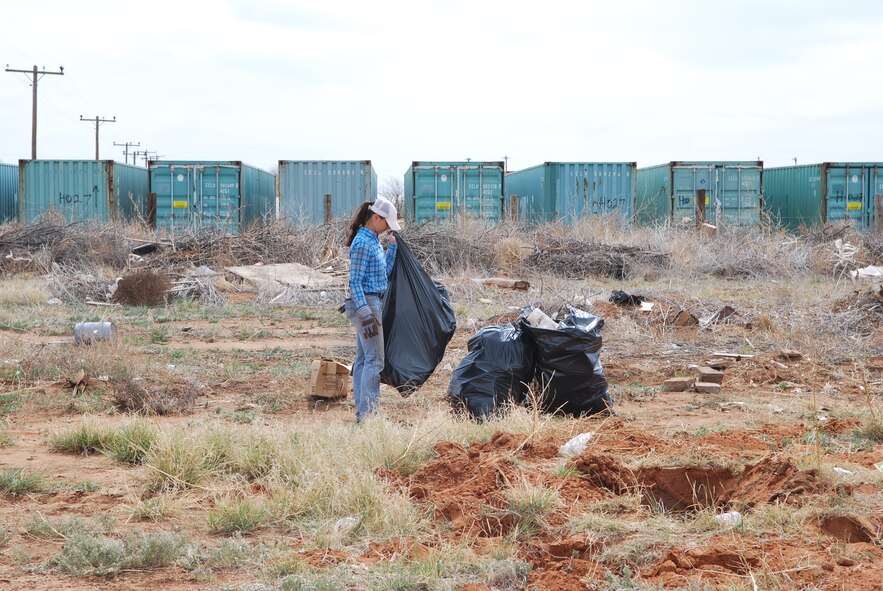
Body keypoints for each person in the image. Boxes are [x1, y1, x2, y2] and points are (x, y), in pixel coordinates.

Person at [343, 197, 400, 421]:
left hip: (372, 302)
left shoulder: (374, 240)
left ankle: (363, 414)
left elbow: (383, 274)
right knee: (375, 360)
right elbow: (354, 281)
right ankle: (369, 415)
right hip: (366, 305)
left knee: (363, 358)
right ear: (376, 218)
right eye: (386, 223)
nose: (387, 228)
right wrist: (364, 310)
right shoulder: (362, 243)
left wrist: (392, 248)